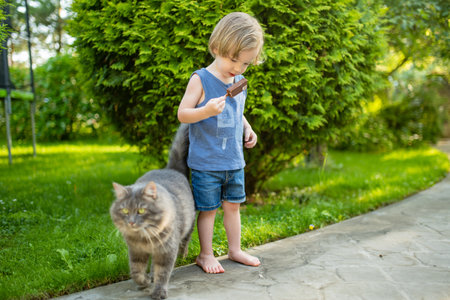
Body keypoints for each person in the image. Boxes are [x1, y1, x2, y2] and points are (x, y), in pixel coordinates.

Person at [177, 12, 264, 274]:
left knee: (233, 207)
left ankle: (234, 250)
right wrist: (205, 111)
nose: (238, 68)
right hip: (206, 162)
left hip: (233, 160)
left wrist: (248, 129)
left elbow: (238, 111)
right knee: (208, 210)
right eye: (233, 59)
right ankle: (205, 254)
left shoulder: (238, 82)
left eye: (246, 64)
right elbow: (183, 113)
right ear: (216, 48)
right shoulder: (201, 79)